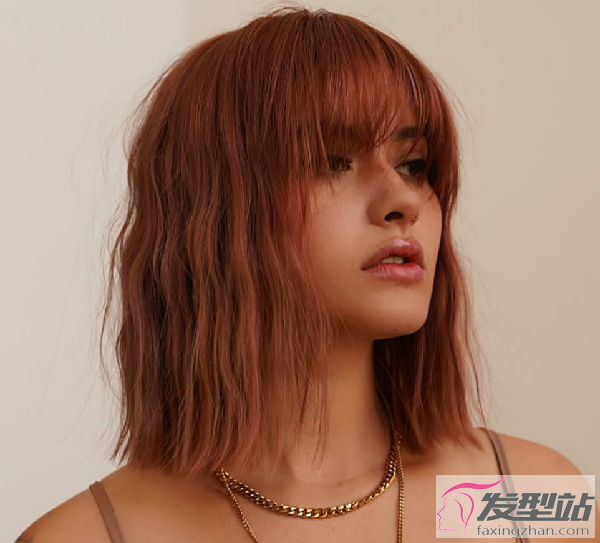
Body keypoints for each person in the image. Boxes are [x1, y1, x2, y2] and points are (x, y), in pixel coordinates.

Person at [15, 5, 596, 543]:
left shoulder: (524, 496)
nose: (402, 201)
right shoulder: (93, 535)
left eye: (414, 165)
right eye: (330, 162)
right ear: (214, 213)